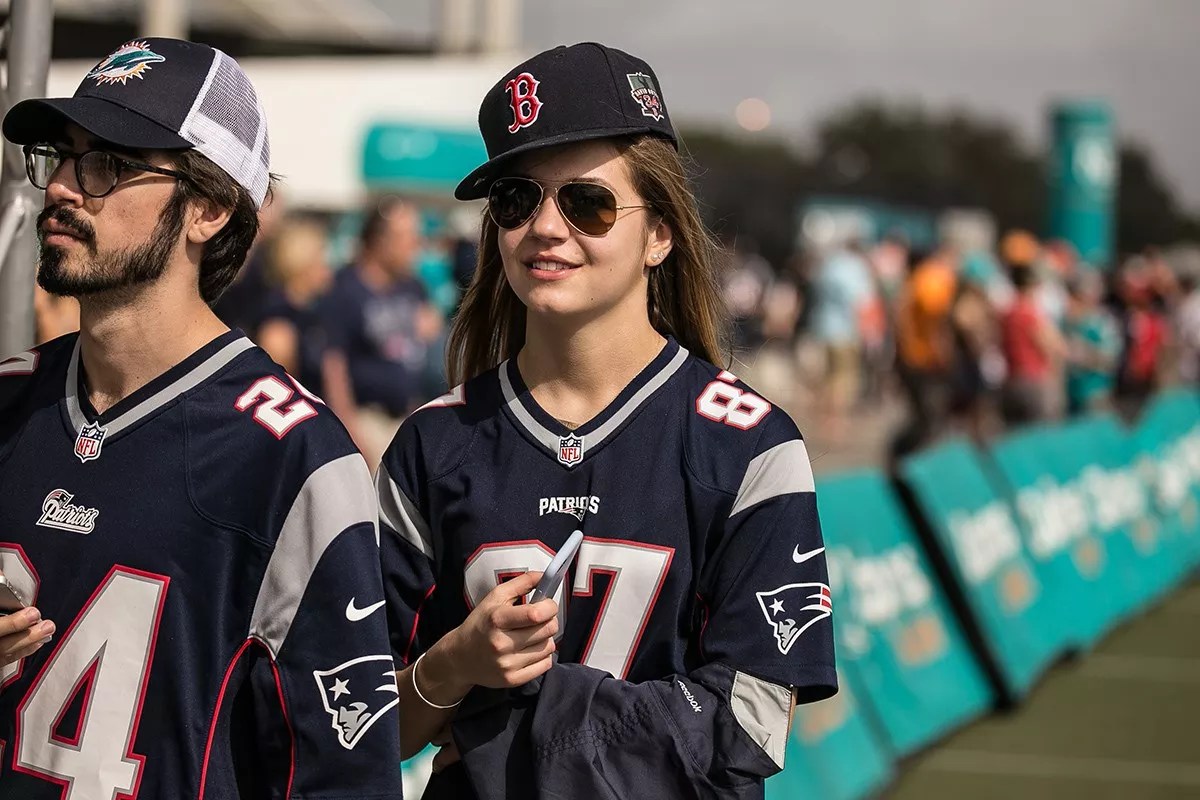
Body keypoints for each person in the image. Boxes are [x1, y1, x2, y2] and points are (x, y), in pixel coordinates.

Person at [375, 43, 835, 799]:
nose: (545, 229)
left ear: (659, 233)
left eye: (586, 202)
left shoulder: (752, 445)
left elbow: (751, 722)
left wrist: (512, 731)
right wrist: (455, 665)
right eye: (516, 201)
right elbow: (361, 726)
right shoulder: (432, 444)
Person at [0, 38, 402, 798]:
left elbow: (343, 773)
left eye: (108, 164)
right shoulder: (8, 399)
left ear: (210, 209)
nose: (61, 187)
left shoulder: (297, 459)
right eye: (63, 155)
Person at [321, 196, 444, 466]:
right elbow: (333, 364)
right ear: (380, 241)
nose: (415, 246)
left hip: (408, 414)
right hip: (367, 420)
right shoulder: (345, 288)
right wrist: (348, 428)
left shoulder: (412, 286)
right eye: (407, 238)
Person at [254, 215, 333, 393]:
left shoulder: (312, 312)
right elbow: (277, 391)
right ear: (301, 265)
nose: (328, 271)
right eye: (321, 262)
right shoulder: (278, 322)